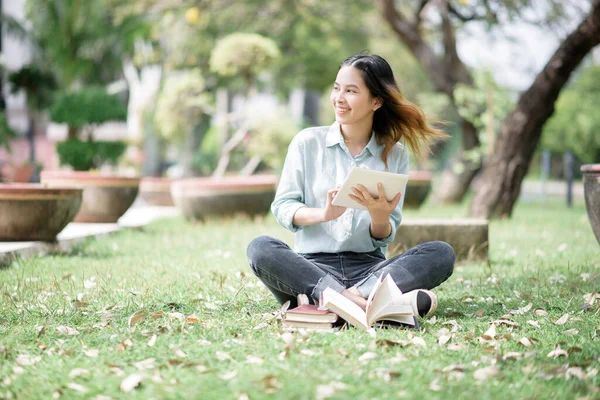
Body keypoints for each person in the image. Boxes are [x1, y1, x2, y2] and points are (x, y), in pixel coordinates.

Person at [247, 54, 455, 318]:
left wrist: (379, 217)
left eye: (351, 91)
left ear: (376, 101)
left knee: (440, 253)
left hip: (370, 270)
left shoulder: (395, 154)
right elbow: (283, 207)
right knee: (260, 248)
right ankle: (367, 305)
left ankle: (341, 303)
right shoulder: (306, 142)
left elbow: (385, 233)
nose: (339, 98)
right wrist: (324, 214)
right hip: (311, 271)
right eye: (337, 88)